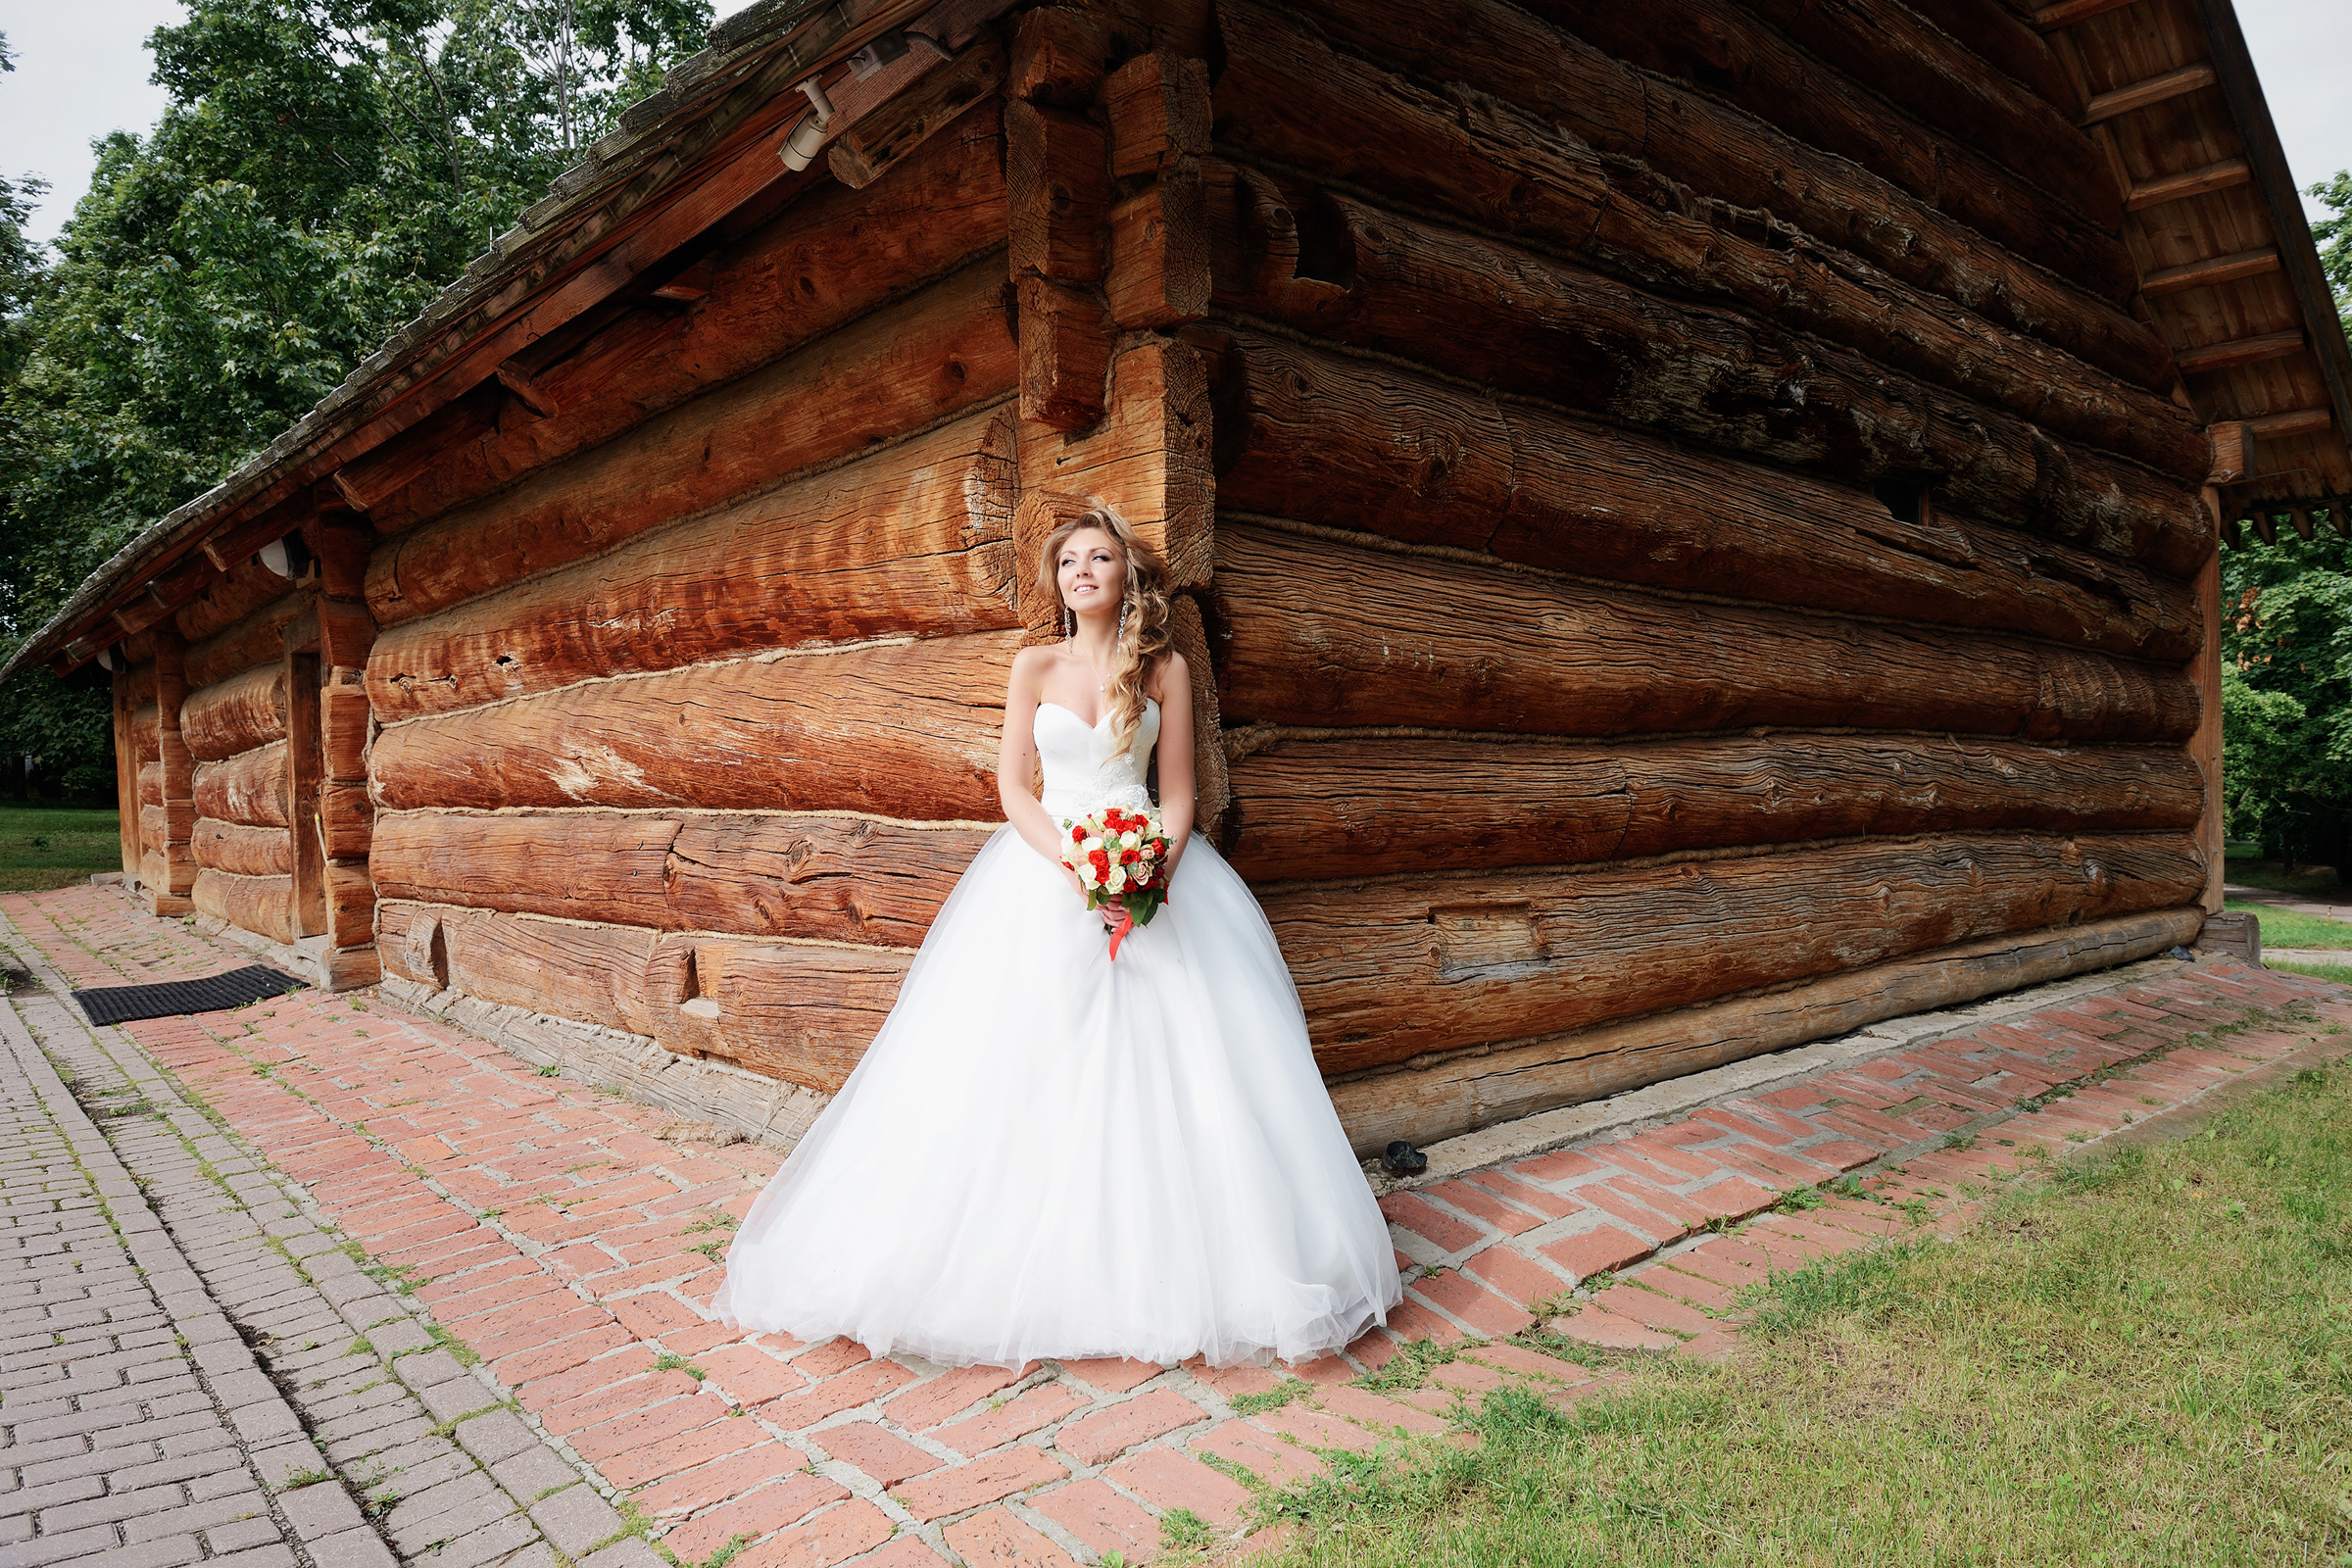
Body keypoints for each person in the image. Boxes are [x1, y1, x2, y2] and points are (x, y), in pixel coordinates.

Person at [711, 508, 1400, 1370]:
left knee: (1183, 1064)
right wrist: (1081, 869)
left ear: (1125, 576)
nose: (1083, 571)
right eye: (1069, 560)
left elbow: (1179, 794)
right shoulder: (1032, 665)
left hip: (1153, 874)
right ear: (1058, 580)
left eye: (1100, 557)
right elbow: (1013, 789)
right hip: (1046, 875)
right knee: (1019, 1060)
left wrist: (1147, 873)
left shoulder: (1164, 670)